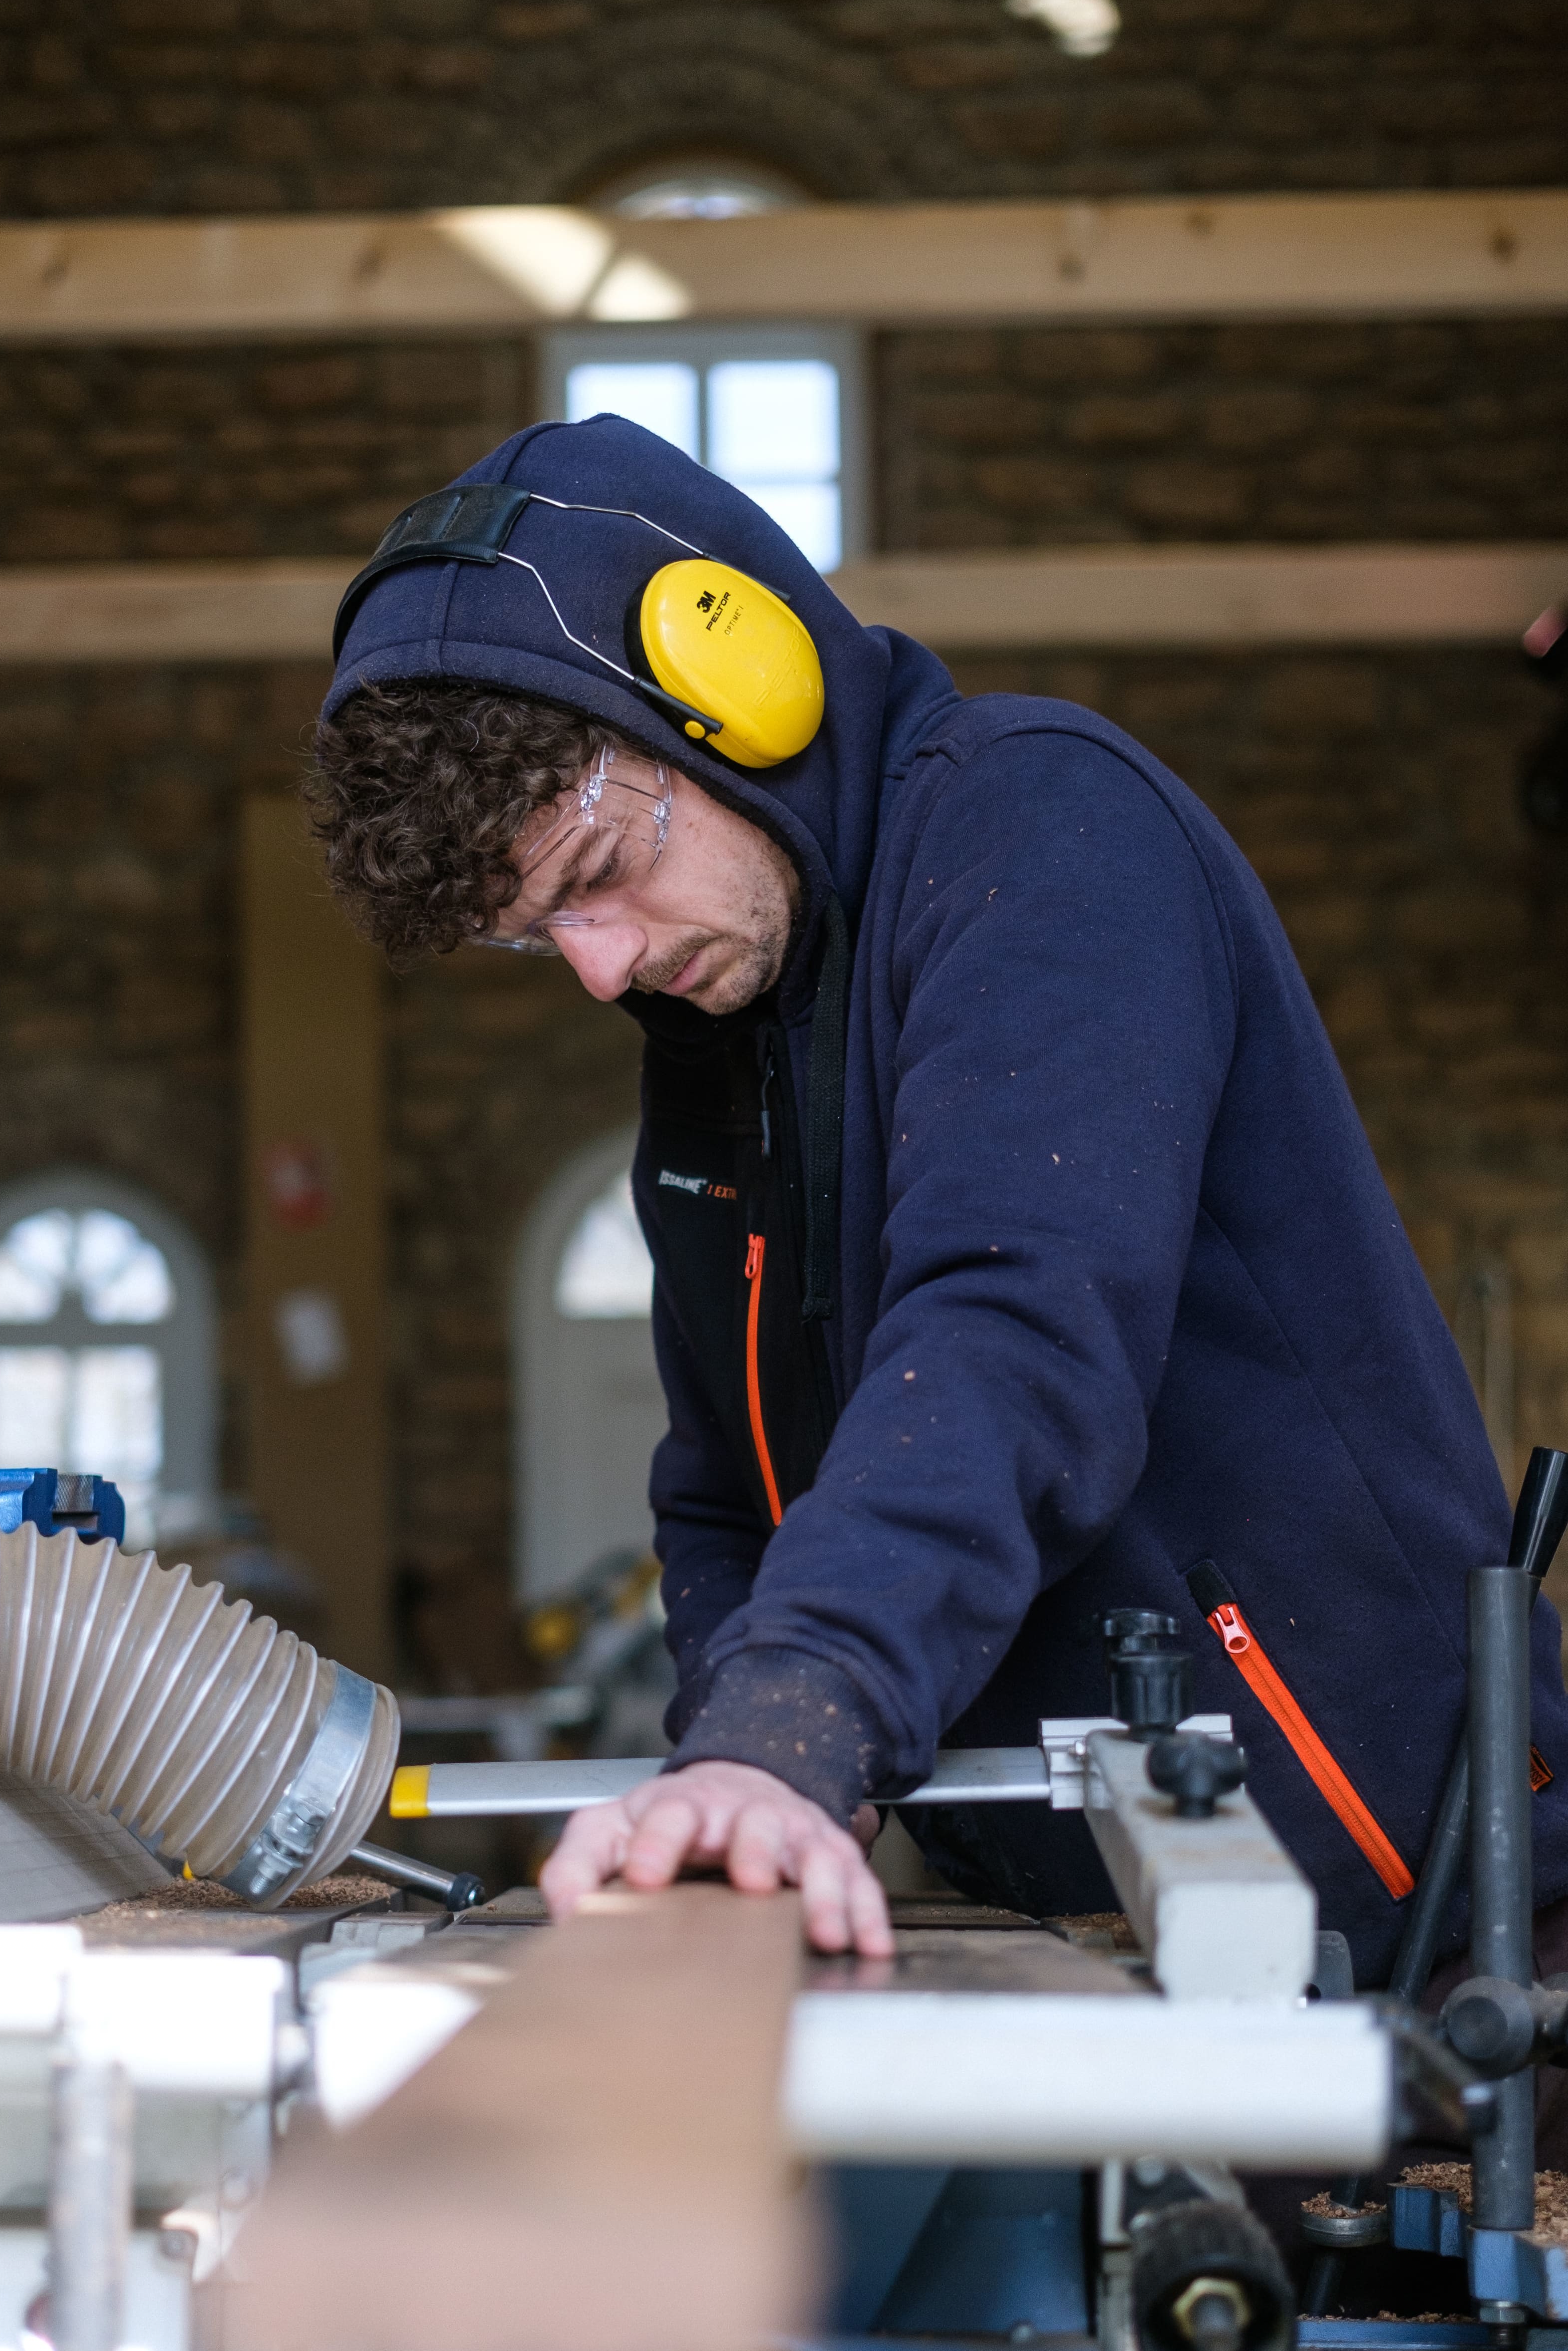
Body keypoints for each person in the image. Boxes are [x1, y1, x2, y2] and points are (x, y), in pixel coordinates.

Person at [311, 414, 1568, 1973]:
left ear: (734, 691)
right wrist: (740, 1766)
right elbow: (720, 1495)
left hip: (1404, 1898)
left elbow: (1014, 1337)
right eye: (533, 935)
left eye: (594, 875)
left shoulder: (1041, 830)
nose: (598, 967)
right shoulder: (713, 1042)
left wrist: (801, 1721)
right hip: (1088, 1926)